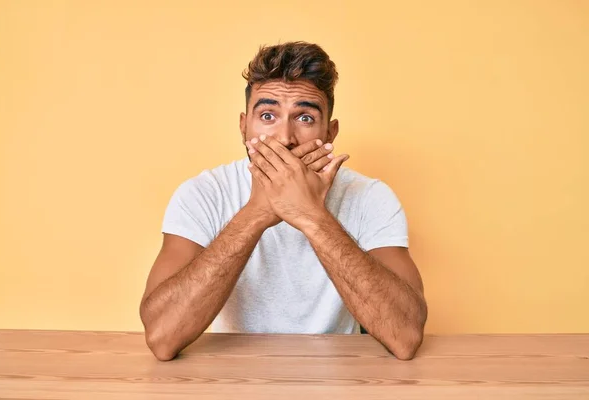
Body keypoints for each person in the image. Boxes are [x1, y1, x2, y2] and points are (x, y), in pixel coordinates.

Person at [139, 41, 427, 361]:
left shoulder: (371, 197)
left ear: (330, 133)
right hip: (228, 376)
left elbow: (405, 336)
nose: (285, 138)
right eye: (267, 115)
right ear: (243, 127)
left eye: (304, 118)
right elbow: (163, 337)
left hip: (337, 376)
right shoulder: (203, 194)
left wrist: (310, 215)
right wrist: (259, 211)